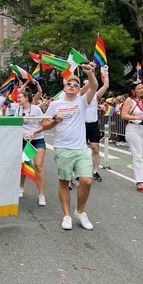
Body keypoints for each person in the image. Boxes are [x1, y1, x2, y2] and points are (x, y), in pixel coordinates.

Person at [40, 64, 98, 231]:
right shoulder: (55, 105)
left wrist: (90, 72)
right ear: (64, 86)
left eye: (75, 85)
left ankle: (80, 211)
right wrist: (54, 121)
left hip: (81, 148)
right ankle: (67, 215)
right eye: (69, 84)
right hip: (62, 148)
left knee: (86, 181)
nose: (72, 86)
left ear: (79, 88)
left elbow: (94, 86)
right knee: (64, 182)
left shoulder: (82, 101)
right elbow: (44, 125)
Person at [121, 82, 143, 192]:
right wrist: (137, 117)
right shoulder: (129, 100)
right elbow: (123, 115)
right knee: (138, 156)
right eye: (139, 89)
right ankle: (139, 181)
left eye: (142, 88)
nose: (141, 90)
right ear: (133, 91)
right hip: (133, 130)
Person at [16, 90, 47, 206]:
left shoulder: (36, 109)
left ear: (27, 98)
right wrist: (22, 134)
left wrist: (34, 132)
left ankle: (41, 194)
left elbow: (44, 124)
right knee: (24, 165)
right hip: (24, 141)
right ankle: (20, 188)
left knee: (38, 166)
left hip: (37, 140)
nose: (18, 99)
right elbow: (16, 125)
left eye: (20, 97)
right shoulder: (18, 110)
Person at [81, 64, 110, 182]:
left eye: (88, 83)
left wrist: (105, 72)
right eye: (84, 84)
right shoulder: (80, 96)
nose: (87, 85)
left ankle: (95, 171)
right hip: (81, 126)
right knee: (80, 149)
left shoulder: (96, 96)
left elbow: (106, 85)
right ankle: (78, 172)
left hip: (93, 125)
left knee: (95, 148)